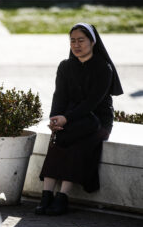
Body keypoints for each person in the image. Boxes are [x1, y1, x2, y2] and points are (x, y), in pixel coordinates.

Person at [35, 23, 123, 216]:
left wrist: (66, 118)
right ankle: (47, 195)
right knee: (58, 139)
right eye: (73, 41)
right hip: (72, 116)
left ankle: (62, 197)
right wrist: (55, 119)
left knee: (78, 143)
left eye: (81, 40)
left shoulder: (103, 67)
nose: (76, 45)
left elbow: (92, 103)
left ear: (92, 42)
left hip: (98, 120)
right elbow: (59, 96)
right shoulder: (65, 66)